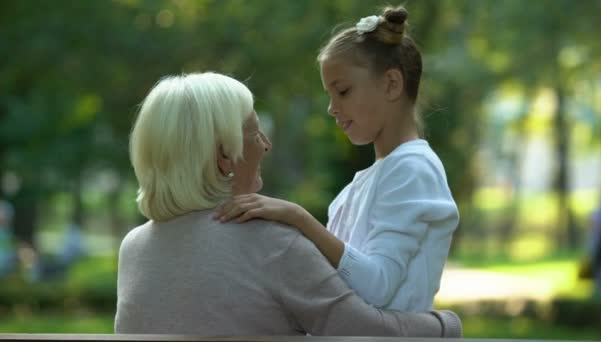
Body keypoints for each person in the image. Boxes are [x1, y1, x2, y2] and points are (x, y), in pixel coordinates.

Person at [114, 72, 462, 337]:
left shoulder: (134, 249)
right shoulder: (270, 242)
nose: (265, 145)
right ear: (225, 157)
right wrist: (448, 325)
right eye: (255, 133)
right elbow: (366, 332)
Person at [215, 6, 459, 313]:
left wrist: (297, 218)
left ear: (391, 84)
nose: (331, 108)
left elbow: (378, 287)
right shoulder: (361, 184)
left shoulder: (413, 169)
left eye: (342, 91)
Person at [589, 189, 601, 292]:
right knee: (598, 266)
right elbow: (593, 230)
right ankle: (599, 286)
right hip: (600, 245)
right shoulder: (597, 213)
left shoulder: (597, 213)